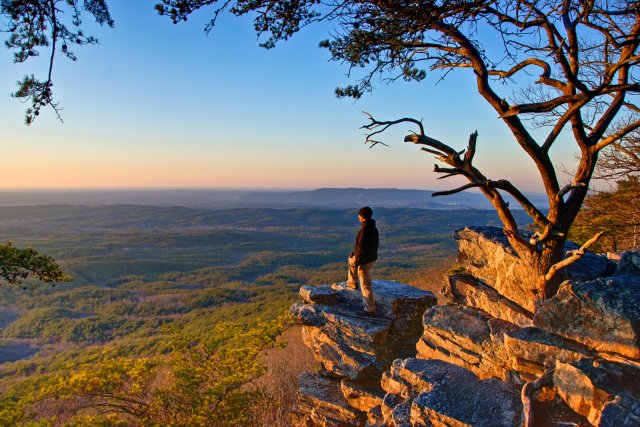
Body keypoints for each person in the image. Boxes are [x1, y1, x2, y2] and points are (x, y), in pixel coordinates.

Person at [347, 206, 379, 316]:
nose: (358, 216)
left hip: (364, 261)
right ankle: (352, 283)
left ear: (362, 217)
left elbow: (360, 247)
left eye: (359, 215)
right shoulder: (373, 228)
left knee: (365, 285)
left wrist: (358, 260)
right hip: (371, 258)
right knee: (351, 260)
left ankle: (370, 309)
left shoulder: (364, 230)